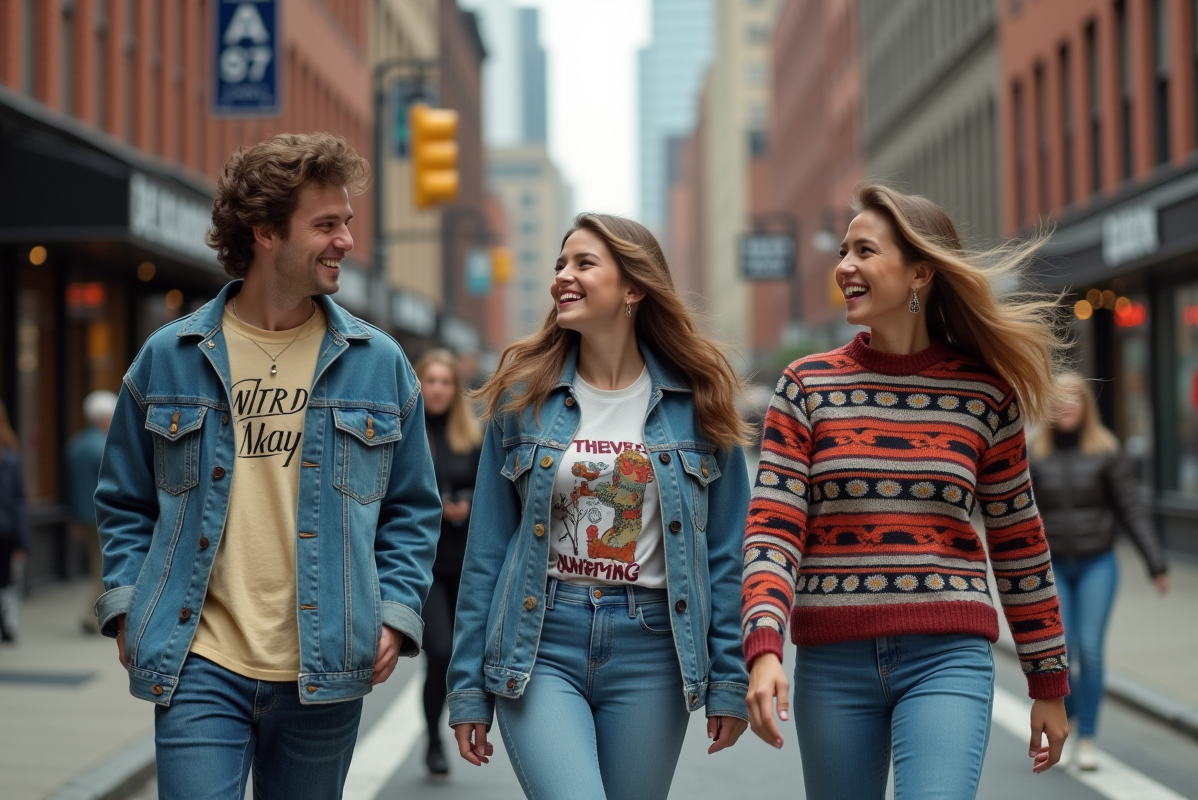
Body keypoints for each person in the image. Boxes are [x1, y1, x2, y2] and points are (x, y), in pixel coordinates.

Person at [94, 133, 442, 800]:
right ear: (265, 234)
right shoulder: (171, 356)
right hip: (199, 660)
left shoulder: (380, 364)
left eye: (347, 222)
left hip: (327, 665)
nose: (345, 240)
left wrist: (395, 613)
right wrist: (128, 608)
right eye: (326, 224)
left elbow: (410, 509)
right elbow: (124, 500)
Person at [742, 185, 1072, 800]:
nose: (844, 266)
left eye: (864, 251)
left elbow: (1019, 542)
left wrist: (1047, 678)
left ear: (920, 270)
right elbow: (773, 528)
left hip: (947, 655)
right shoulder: (805, 387)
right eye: (842, 251)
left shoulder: (984, 395)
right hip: (832, 662)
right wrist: (764, 644)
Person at [447, 213, 752, 799]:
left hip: (653, 646)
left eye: (584, 263)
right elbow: (486, 551)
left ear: (633, 287)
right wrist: (467, 689)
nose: (564, 274)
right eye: (560, 263)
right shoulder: (522, 395)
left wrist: (729, 676)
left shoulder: (700, 399)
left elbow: (724, 554)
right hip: (541, 640)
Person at [1029, 372, 1169, 770]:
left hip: (1097, 564)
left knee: (1089, 647)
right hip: (1053, 565)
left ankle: (1087, 737)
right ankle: (1070, 715)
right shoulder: (1034, 454)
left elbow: (1131, 509)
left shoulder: (1106, 451)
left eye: (1074, 399)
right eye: (1059, 400)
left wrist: (1155, 562)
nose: (1067, 406)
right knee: (1064, 650)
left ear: (1086, 406)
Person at [414, 348, 483, 776]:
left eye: (445, 381)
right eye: (430, 380)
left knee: (463, 656)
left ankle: (460, 724)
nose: (437, 388)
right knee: (438, 651)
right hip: (424, 565)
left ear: (455, 389)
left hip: (466, 564)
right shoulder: (406, 434)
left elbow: (494, 496)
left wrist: (467, 506)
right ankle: (434, 736)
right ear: (419, 385)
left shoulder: (472, 436)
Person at [65, 390, 117, 634]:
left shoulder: (75, 446)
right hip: (103, 516)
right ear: (104, 418)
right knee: (102, 568)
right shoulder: (105, 447)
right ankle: (90, 616)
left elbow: (67, 487)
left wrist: (72, 518)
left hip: (83, 516)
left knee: (97, 565)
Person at [0, 399, 29, 643]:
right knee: (5, 583)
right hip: (7, 530)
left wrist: (23, 541)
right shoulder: (10, 456)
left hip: (5, 531)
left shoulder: (10, 456)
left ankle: (7, 626)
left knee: (6, 582)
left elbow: (18, 501)